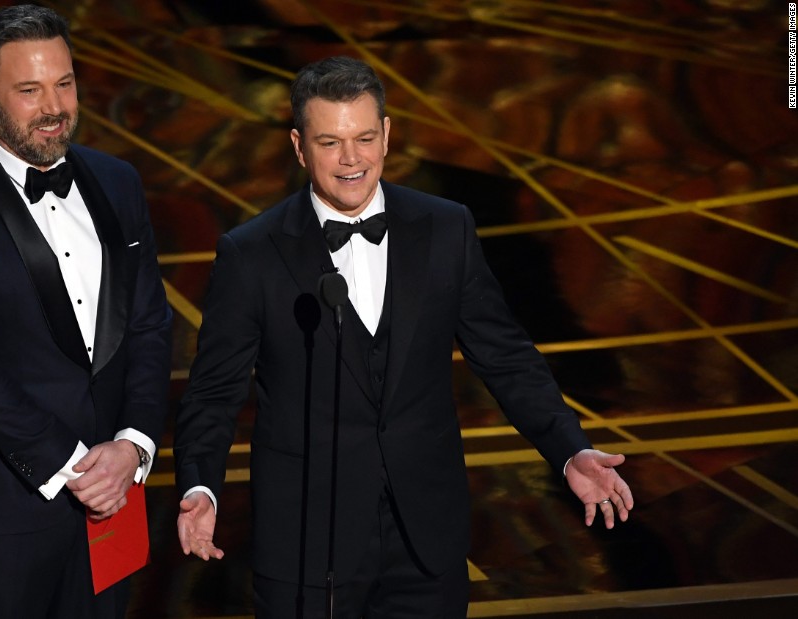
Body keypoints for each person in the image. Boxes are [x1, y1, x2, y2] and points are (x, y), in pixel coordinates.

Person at [173, 56, 633, 618]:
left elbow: (505, 355)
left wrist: (568, 450)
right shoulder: (251, 254)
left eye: (365, 138)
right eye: (330, 142)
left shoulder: (446, 227)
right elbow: (214, 391)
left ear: (388, 135)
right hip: (307, 547)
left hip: (426, 542)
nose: (351, 159)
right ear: (298, 146)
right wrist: (201, 486)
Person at [0, 5, 171, 618]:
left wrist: (133, 444)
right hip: (4, 512)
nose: (54, 106)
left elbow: (150, 325)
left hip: (116, 500)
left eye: (64, 83)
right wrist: (74, 468)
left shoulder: (118, 181)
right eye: (29, 90)